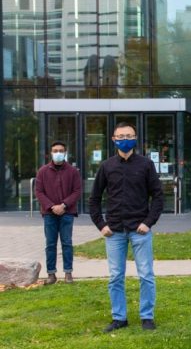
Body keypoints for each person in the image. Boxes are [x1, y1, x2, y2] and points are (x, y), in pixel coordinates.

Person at [89, 122, 164, 332]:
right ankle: (119, 317)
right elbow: (94, 199)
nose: (124, 139)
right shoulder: (106, 166)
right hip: (114, 231)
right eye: (120, 136)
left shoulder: (146, 165)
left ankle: (147, 316)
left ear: (135, 138)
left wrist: (148, 223)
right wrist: (101, 225)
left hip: (140, 229)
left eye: (128, 135)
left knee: (146, 275)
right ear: (114, 140)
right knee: (115, 277)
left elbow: (158, 196)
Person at [35, 141, 82, 285]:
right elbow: (39, 192)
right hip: (49, 214)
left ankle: (68, 273)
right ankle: (51, 274)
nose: (58, 153)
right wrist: (51, 206)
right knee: (50, 244)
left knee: (67, 243)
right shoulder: (43, 171)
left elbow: (77, 191)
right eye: (55, 150)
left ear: (65, 152)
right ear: (51, 153)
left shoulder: (73, 171)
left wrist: (64, 205)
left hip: (67, 213)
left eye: (61, 150)